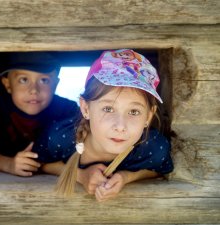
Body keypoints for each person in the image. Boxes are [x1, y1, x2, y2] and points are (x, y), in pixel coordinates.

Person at [36, 49, 173, 202]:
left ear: (148, 116)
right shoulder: (59, 137)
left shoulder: (153, 146)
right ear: (85, 108)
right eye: (108, 109)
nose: (120, 126)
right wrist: (81, 176)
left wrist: (126, 177)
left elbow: (160, 169)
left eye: (134, 111)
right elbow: (38, 164)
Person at [0, 52, 79, 177]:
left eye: (44, 80)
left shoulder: (67, 110)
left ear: (55, 84)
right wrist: (9, 164)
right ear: (7, 84)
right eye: (24, 80)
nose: (34, 90)